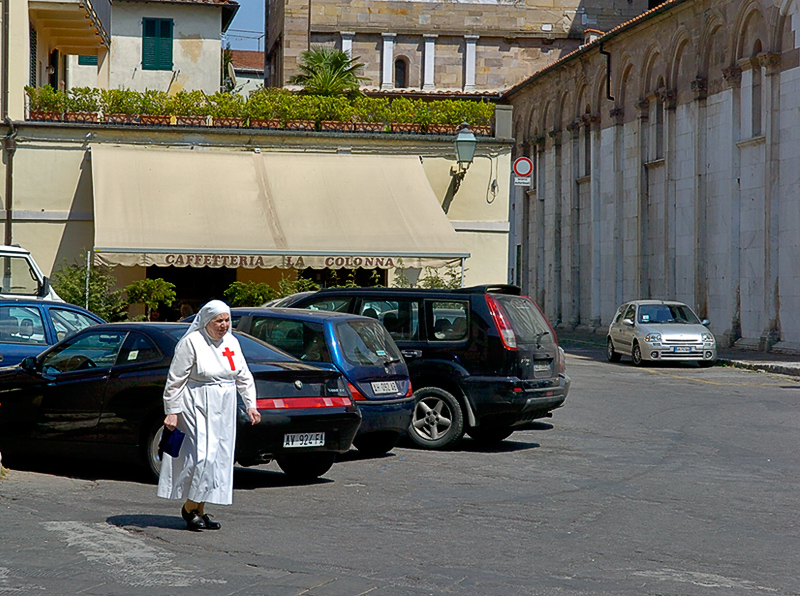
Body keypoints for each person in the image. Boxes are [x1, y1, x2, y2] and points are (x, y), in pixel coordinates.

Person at [157, 300, 261, 531]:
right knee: (202, 456)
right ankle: (189, 508)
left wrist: (251, 405)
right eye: (218, 321)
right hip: (197, 403)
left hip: (225, 404)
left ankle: (199, 511)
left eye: (227, 320)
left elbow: (243, 376)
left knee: (218, 459)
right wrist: (172, 411)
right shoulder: (191, 342)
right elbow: (175, 380)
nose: (224, 325)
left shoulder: (232, 342)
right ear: (206, 321)